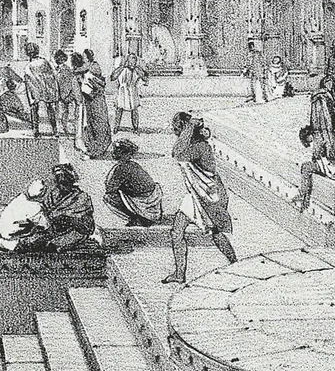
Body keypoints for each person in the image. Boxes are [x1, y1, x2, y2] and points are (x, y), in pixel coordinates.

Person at [164, 115, 238, 283]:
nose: (174, 132)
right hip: (195, 195)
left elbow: (177, 154)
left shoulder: (200, 147)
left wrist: (188, 128)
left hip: (210, 196)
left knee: (216, 233)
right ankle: (179, 273)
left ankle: (235, 263)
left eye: (177, 128)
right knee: (177, 232)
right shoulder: (192, 144)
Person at [101, 137, 165, 226]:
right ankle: (142, 217)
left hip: (144, 202)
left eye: (118, 151)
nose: (115, 153)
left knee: (109, 197)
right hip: (153, 201)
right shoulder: (133, 164)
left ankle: (138, 218)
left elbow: (110, 188)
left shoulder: (121, 168)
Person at [40, 163, 101, 251]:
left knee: (53, 246)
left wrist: (67, 219)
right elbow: (45, 212)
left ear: (70, 181)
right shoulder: (53, 195)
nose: (61, 186)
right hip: (54, 230)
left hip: (76, 232)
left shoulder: (82, 197)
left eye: (64, 182)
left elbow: (86, 225)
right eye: (59, 182)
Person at [295, 123, 335, 211]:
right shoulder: (325, 134)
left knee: (305, 167)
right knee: (309, 166)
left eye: (309, 140)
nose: (310, 142)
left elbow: (319, 155)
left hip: (334, 168)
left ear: (309, 135)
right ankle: (304, 195)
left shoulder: (318, 137)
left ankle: (304, 196)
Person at [0, 179, 49, 253]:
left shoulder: (17, 201)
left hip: (2, 241)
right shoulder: (35, 207)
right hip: (15, 243)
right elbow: (45, 226)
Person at [79, 50, 114, 158]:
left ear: (88, 57)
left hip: (96, 100)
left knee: (99, 123)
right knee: (89, 124)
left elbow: (100, 83)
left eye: (84, 56)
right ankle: (92, 148)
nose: (83, 58)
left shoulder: (94, 66)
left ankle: (99, 149)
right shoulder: (85, 67)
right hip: (89, 100)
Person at [111, 45, 147, 133]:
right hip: (122, 90)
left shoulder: (137, 69)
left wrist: (137, 69)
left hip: (133, 90)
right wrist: (123, 67)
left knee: (134, 109)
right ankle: (116, 126)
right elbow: (113, 77)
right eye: (131, 59)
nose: (133, 62)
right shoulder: (122, 68)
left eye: (134, 60)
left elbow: (145, 77)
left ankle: (135, 127)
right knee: (119, 109)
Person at [21, 43, 55, 136]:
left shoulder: (29, 66)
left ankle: (35, 130)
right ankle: (54, 130)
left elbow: (28, 80)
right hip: (47, 88)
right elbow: (52, 75)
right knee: (50, 108)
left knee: (34, 108)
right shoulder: (45, 62)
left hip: (35, 89)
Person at [54, 50, 82, 141]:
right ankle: (63, 130)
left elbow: (67, 83)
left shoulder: (65, 69)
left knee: (64, 113)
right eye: (56, 57)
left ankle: (65, 130)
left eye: (58, 58)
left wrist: (65, 96)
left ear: (62, 59)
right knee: (61, 113)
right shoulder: (57, 69)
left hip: (64, 95)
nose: (56, 59)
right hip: (59, 95)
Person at [246, 38, 268, 103]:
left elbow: (263, 62)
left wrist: (264, 69)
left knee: (261, 84)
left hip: (259, 69)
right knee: (252, 84)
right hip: (253, 70)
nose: (251, 47)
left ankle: (264, 96)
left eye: (252, 46)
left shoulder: (259, 54)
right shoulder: (250, 54)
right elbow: (248, 63)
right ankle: (253, 96)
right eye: (250, 46)